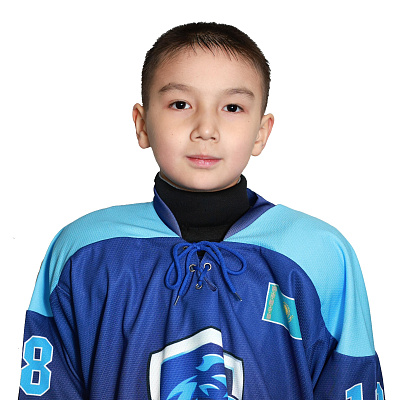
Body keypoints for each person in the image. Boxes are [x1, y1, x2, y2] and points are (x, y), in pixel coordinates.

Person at [18, 22, 384, 399]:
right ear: (142, 124)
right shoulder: (84, 249)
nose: (206, 128)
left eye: (232, 107)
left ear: (261, 132)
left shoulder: (319, 253)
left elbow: (349, 379)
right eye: (180, 104)